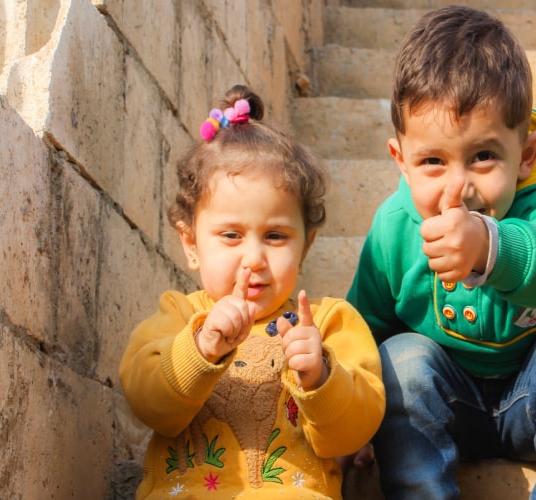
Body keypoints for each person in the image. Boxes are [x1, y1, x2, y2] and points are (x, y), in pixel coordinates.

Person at [345, 6, 536, 499]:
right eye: (432, 161)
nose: (458, 187)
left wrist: (491, 247)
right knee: (400, 359)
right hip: (445, 405)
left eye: (483, 156)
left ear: (525, 155)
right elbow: (364, 329)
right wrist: (352, 420)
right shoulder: (394, 228)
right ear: (401, 161)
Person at [120, 85, 385, 499]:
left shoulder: (329, 323)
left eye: (275, 236)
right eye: (231, 235)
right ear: (191, 243)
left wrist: (321, 376)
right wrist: (201, 348)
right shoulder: (179, 316)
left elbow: (354, 431)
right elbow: (148, 404)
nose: (254, 258)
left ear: (306, 247)